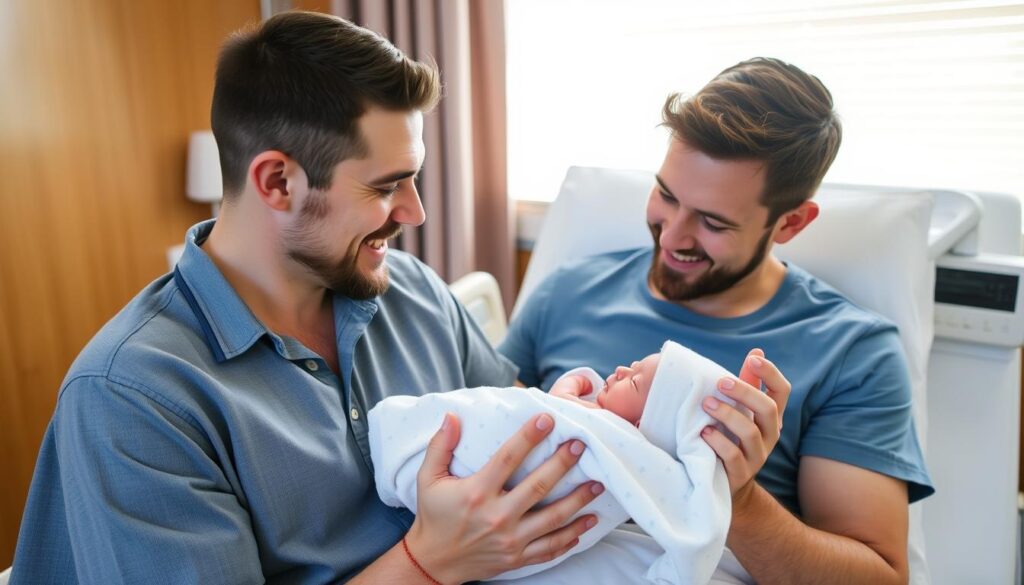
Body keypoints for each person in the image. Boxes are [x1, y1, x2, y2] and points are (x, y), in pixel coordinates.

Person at [9, 12, 604, 584]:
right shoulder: (136, 399)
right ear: (277, 181)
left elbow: (530, 432)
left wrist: (623, 422)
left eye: (413, 178)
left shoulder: (415, 294)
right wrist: (429, 563)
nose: (414, 212)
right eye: (385, 186)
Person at [500, 57, 934, 584]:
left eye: (712, 222)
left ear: (791, 222)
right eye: (666, 195)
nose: (673, 236)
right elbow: (482, 439)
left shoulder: (851, 353)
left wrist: (738, 497)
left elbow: (879, 578)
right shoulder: (567, 292)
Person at [369, 340, 741, 584]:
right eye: (633, 365)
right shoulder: (596, 419)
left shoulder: (632, 450)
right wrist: (566, 398)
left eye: (636, 383)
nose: (623, 370)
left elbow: (694, 534)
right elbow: (538, 406)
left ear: (644, 425)